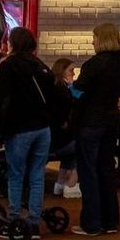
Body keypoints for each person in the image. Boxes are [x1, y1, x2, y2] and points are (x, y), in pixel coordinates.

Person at [0, 26, 54, 240]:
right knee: (37, 175)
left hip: (20, 129)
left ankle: (13, 219)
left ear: (12, 43)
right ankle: (34, 222)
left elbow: (2, 101)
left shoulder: (9, 66)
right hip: (43, 128)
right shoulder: (40, 66)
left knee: (16, 175)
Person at [71, 22, 120, 236]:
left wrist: (71, 86)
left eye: (94, 37)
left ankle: (91, 223)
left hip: (90, 122)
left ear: (101, 39)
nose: (92, 41)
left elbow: (78, 93)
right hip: (110, 120)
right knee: (106, 169)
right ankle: (110, 220)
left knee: (89, 172)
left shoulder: (93, 64)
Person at [50, 57, 80, 199]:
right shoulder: (62, 90)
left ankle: (60, 183)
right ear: (62, 71)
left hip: (53, 137)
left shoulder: (54, 87)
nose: (73, 74)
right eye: (71, 70)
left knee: (70, 151)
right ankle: (72, 184)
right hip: (59, 139)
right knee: (84, 146)